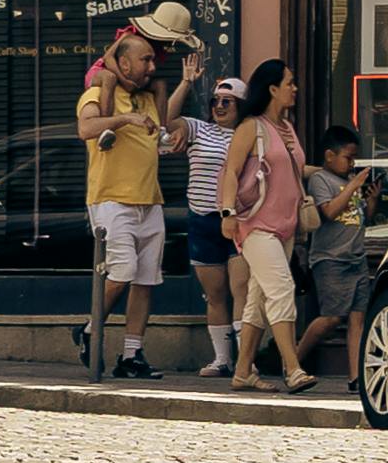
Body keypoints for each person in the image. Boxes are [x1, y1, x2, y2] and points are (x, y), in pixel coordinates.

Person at [74, 20, 184, 380]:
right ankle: (91, 330)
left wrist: (174, 136)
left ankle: (132, 354)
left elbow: (163, 134)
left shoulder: (149, 97)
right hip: (111, 199)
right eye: (145, 60)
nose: (152, 66)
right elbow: (86, 129)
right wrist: (123, 119)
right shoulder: (97, 94)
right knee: (121, 273)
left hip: (149, 199)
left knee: (146, 280)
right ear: (123, 64)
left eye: (153, 59)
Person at [223, 59, 315, 390]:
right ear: (272, 89)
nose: (295, 88)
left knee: (259, 301)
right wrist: (227, 213)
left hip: (285, 227)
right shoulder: (251, 127)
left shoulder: (287, 129)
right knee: (281, 289)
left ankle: (243, 371)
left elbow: (292, 169)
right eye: (289, 83)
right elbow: (230, 172)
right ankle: (293, 369)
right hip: (255, 226)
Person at [294, 119, 374, 389]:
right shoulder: (320, 179)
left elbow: (361, 217)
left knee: (357, 318)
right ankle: (292, 359)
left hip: (357, 257)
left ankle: (356, 377)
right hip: (330, 259)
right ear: (329, 156)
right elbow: (328, 212)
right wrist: (353, 186)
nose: (352, 164)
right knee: (331, 318)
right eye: (348, 158)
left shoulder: (350, 180)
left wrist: (371, 199)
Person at [181, 69, 244, 384]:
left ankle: (245, 361)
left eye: (228, 102)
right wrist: (185, 84)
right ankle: (222, 359)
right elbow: (167, 124)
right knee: (215, 294)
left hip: (237, 218)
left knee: (241, 290)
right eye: (216, 101)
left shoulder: (248, 135)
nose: (220, 106)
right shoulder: (198, 129)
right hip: (203, 218)